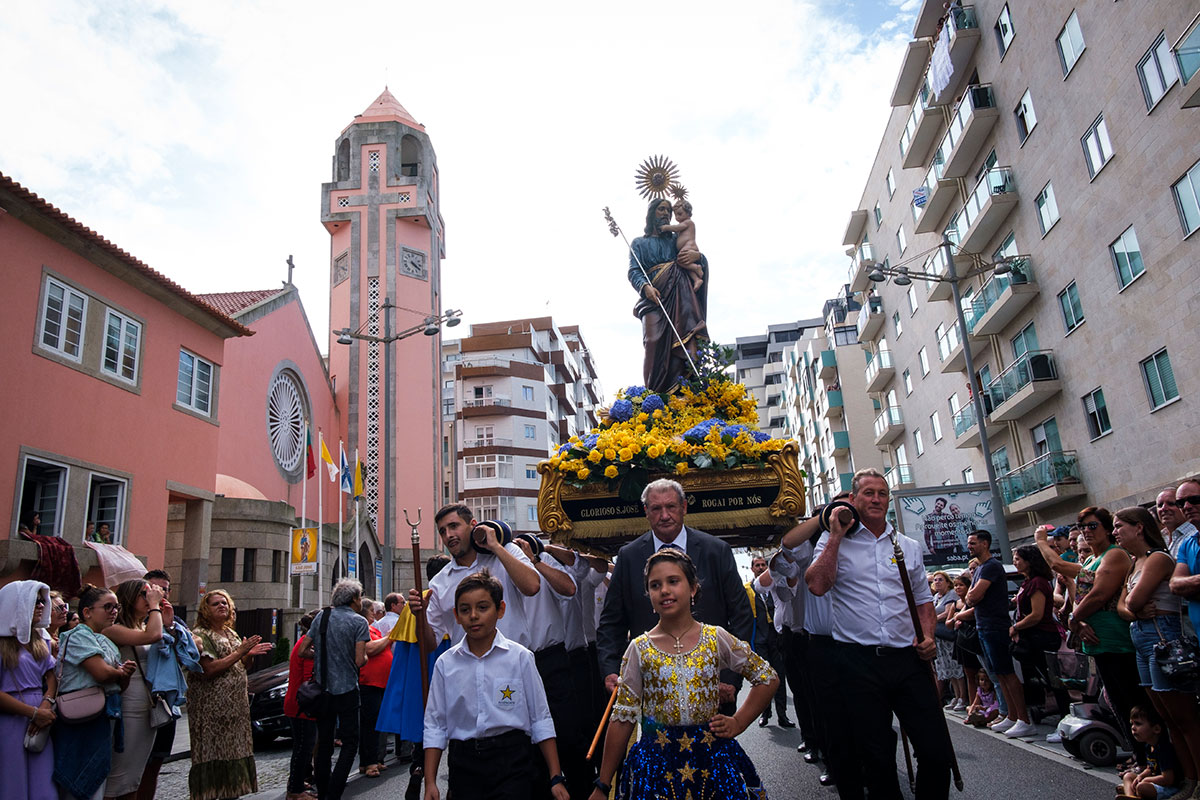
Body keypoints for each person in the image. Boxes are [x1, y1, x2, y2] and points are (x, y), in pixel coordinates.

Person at [805, 467, 953, 800]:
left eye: (882, 493)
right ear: (854, 499)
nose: (876, 499)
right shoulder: (833, 541)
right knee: (876, 757)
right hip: (857, 663)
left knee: (935, 751)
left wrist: (928, 636)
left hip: (907, 659)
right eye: (868, 493)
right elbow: (816, 585)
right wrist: (837, 536)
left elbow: (924, 603)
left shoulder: (909, 546)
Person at [589, 549, 778, 800]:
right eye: (655, 585)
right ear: (649, 595)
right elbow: (622, 718)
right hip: (656, 767)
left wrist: (738, 722)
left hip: (712, 761)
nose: (664, 590)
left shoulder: (715, 637)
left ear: (693, 589)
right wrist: (603, 785)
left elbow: (767, 678)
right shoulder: (639, 648)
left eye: (673, 581)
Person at [597, 478, 754, 717]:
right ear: (646, 512)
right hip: (652, 688)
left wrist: (729, 677)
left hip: (713, 687)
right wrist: (610, 669)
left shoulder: (716, 551)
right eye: (656, 509)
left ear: (684, 508)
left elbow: (741, 616)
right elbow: (611, 621)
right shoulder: (628, 557)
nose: (665, 515)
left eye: (671, 507)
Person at [422, 570, 570, 800]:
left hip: (512, 762)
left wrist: (555, 775)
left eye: (482, 607)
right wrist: (430, 781)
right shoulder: (446, 664)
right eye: (464, 610)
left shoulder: (520, 658)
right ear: (456, 615)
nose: (473, 616)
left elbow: (540, 717)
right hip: (464, 766)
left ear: (500, 610)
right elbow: (435, 724)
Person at [1036, 509, 1144, 755]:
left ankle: (1150, 760)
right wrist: (1079, 621)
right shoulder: (1089, 561)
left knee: (1132, 703)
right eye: (1082, 527)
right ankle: (1138, 756)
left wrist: (1041, 542)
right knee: (1116, 702)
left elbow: (1097, 595)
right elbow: (1079, 598)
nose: (1086, 531)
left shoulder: (1115, 555)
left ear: (1108, 529)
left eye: (1092, 526)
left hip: (1118, 642)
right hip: (1099, 643)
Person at [1115, 506, 1200, 799]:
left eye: (1119, 526)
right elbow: (1122, 608)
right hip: (1141, 637)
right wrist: (1133, 610)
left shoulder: (1158, 558)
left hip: (1161, 639)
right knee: (1165, 719)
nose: (1115, 532)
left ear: (1139, 527)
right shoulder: (1133, 563)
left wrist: (1133, 609)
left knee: (1185, 718)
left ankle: (1197, 780)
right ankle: (1187, 779)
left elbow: (1134, 601)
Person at [511, 532, 592, 799]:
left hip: (551, 658)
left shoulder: (544, 559)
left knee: (567, 732)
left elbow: (569, 588)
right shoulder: (500, 563)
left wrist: (534, 559)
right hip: (516, 662)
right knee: (526, 737)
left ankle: (579, 788)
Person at [186, 589, 272, 800]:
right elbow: (208, 669)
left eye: (225, 602)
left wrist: (248, 656)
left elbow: (242, 665)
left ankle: (231, 793)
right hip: (211, 708)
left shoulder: (231, 633)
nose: (222, 606)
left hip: (235, 708)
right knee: (214, 752)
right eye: (215, 604)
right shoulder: (201, 635)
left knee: (234, 751)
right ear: (206, 609)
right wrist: (240, 652)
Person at [379, 554, 452, 800]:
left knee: (424, 725)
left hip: (418, 673)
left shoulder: (415, 602)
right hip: (438, 665)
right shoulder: (437, 598)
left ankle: (418, 766)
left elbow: (400, 650)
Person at [54, 585, 136, 800]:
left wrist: (123, 675)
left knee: (97, 782)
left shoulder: (106, 641)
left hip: (102, 715)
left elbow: (118, 685)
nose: (114, 611)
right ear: (87, 612)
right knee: (79, 779)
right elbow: (100, 673)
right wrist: (118, 672)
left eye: (116, 607)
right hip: (81, 719)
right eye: (107, 606)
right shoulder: (79, 635)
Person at [626, 198, 708, 393]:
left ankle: (685, 391)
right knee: (653, 341)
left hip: (681, 295)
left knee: (686, 339)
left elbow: (695, 256)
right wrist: (645, 287)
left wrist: (698, 257)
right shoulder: (639, 243)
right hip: (654, 297)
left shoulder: (675, 240)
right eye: (661, 209)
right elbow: (634, 271)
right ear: (652, 213)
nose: (665, 214)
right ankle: (654, 394)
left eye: (669, 211)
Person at [303, 579, 369, 800]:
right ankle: (334, 792)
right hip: (347, 689)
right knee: (350, 743)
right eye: (360, 597)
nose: (360, 601)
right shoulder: (359, 622)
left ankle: (323, 792)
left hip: (324, 690)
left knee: (324, 743)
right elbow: (360, 660)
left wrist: (321, 656)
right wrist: (362, 656)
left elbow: (303, 649)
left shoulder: (323, 616)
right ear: (353, 599)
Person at [137, 568, 200, 800]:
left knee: (155, 763)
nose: (157, 593)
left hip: (164, 701)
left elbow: (193, 652)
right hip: (137, 698)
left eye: (162, 589)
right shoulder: (133, 618)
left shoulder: (175, 620)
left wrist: (172, 627)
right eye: (151, 588)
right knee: (133, 765)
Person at [102, 578, 166, 800]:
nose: (149, 598)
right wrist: (156, 606)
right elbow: (153, 636)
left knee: (135, 774)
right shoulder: (114, 629)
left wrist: (164, 617)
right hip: (129, 704)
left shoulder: (141, 625)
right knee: (120, 775)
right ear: (130, 598)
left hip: (147, 703)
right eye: (144, 594)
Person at [965, 529, 1032, 738]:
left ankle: (1023, 718)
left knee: (1007, 672)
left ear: (985, 544)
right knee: (999, 674)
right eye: (969, 543)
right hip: (983, 626)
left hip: (996, 626)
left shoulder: (991, 567)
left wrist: (972, 595)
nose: (970, 547)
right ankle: (1010, 715)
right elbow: (970, 597)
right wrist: (971, 596)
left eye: (973, 543)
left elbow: (974, 596)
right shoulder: (980, 568)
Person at [0, 580, 57, 800]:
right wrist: (33, 713)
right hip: (10, 720)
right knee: (12, 782)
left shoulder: (38, 641)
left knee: (43, 784)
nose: (42, 606)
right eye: (35, 601)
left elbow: (51, 676)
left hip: (41, 718)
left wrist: (46, 702)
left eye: (42, 601)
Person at [1009, 545, 1067, 717]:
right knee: (1046, 680)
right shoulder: (1028, 582)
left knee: (1054, 680)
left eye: (1018, 559)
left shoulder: (1038, 583)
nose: (1015, 562)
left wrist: (1016, 627)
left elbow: (1037, 615)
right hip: (1034, 637)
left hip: (1043, 636)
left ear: (1029, 561)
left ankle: (1064, 715)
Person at [747, 555, 792, 727]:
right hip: (759, 640)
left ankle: (783, 715)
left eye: (763, 565)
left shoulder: (774, 586)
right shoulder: (748, 589)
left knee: (779, 677)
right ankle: (765, 714)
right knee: (763, 679)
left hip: (776, 639)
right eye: (757, 565)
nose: (760, 567)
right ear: (752, 569)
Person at [358, 594, 394, 779]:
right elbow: (370, 649)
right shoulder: (363, 628)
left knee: (373, 723)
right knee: (371, 724)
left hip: (379, 683)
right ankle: (370, 762)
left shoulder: (372, 628)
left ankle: (370, 760)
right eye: (372, 611)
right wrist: (390, 637)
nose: (375, 614)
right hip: (369, 683)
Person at [284, 611, 318, 800]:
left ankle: (296, 782)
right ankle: (295, 790)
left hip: (299, 702)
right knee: (304, 747)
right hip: (302, 704)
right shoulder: (308, 644)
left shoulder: (305, 641)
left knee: (302, 746)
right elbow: (308, 678)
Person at [1122, 705, 1182, 800]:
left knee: (1141, 787)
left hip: (1169, 787)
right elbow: (1150, 768)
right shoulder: (1149, 746)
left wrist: (1146, 780)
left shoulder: (1164, 749)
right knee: (1128, 776)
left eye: (1138, 724)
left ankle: (1131, 791)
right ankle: (1130, 797)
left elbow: (1168, 779)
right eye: (1132, 724)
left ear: (1156, 729)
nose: (1133, 728)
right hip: (1155, 781)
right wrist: (1141, 776)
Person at [931, 571, 966, 711]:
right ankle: (956, 696)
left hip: (948, 636)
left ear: (947, 582)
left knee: (956, 666)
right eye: (935, 580)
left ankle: (962, 697)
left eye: (940, 579)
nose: (938, 582)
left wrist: (932, 619)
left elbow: (946, 613)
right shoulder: (935, 597)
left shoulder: (951, 595)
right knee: (946, 667)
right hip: (938, 637)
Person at [657, 198, 705, 290]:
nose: (677, 217)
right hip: (686, 247)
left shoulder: (688, 222)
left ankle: (696, 267)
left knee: (680, 260)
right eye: (675, 215)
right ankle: (696, 279)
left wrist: (666, 227)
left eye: (680, 214)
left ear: (688, 213)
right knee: (686, 266)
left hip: (689, 246)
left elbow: (676, 228)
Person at [47, 590, 69, 657]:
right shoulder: (43, 642)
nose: (65, 611)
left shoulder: (58, 637)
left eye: (65, 606)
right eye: (59, 608)